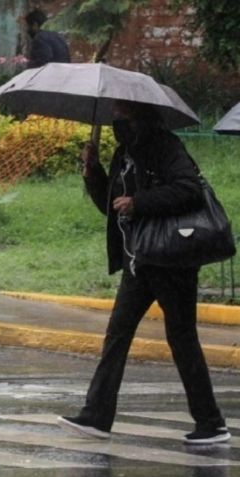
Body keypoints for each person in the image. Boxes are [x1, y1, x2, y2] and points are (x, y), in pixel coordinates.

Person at [57, 100, 230, 445]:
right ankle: (96, 416)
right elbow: (112, 203)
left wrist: (140, 202)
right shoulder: (124, 152)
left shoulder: (164, 145)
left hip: (171, 260)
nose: (116, 119)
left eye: (123, 113)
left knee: (182, 339)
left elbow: (188, 189)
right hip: (140, 260)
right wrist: (94, 173)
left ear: (140, 114)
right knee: (117, 335)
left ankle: (211, 423)